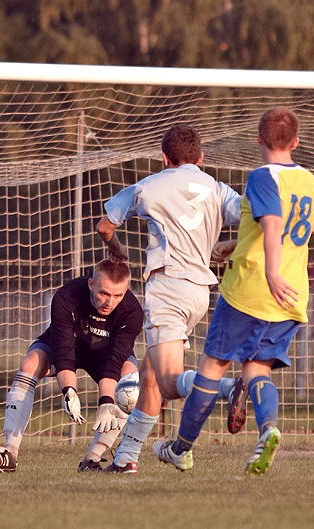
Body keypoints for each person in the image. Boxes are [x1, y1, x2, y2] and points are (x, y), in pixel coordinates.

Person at [152, 107, 314, 474]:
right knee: (257, 371)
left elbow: (272, 224)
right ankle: (268, 430)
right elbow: (288, 227)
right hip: (292, 296)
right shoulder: (308, 180)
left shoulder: (261, 176)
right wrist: (236, 244)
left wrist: (270, 273)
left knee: (212, 367)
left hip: (252, 289)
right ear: (296, 141)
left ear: (258, 138)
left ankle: (181, 448)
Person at [95, 123, 244, 473]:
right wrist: (232, 245)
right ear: (200, 157)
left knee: (167, 381)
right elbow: (255, 219)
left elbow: (105, 226)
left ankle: (229, 388)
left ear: (164, 157)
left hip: (168, 289)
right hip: (200, 292)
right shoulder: (218, 189)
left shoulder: (149, 186)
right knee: (149, 377)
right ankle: (124, 460)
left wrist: (117, 250)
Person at [0, 258, 143, 473]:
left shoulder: (133, 312)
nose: (109, 302)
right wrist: (69, 391)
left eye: (118, 295)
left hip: (105, 356)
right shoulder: (67, 296)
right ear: (91, 284)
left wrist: (106, 402)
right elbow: (63, 352)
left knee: (130, 382)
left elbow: (113, 361)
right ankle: (9, 453)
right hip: (68, 346)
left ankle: (92, 459)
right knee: (30, 363)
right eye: (104, 293)